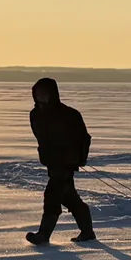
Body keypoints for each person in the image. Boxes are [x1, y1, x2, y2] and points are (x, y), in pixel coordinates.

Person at [26, 77, 95, 245]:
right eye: (38, 93)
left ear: (53, 94)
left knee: (52, 196)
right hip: (51, 162)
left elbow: (84, 138)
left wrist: (79, 158)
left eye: (44, 93)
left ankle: (44, 235)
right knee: (70, 198)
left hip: (66, 163)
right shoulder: (35, 114)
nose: (41, 96)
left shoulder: (69, 114)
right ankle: (87, 232)